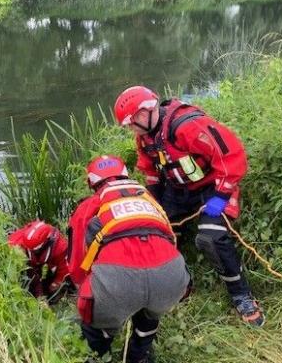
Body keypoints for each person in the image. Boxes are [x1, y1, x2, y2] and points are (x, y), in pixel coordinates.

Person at [113, 86, 264, 326]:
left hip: (212, 186)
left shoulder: (187, 126)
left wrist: (221, 196)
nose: (130, 129)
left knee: (211, 239)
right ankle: (181, 283)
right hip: (178, 189)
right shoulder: (145, 137)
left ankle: (241, 294)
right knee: (160, 234)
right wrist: (155, 205)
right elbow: (150, 171)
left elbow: (231, 157)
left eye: (131, 124)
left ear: (143, 114)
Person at [68, 155, 190, 363]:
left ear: (91, 183)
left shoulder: (89, 207)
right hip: (171, 277)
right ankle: (140, 355)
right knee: (151, 310)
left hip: (118, 283)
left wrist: (88, 292)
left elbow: (78, 264)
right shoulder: (149, 200)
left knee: (95, 325)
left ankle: (98, 352)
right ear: (126, 175)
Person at [8, 220, 71, 302]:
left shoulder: (60, 248)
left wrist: (55, 283)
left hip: (48, 262)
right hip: (30, 264)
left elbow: (64, 269)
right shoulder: (17, 242)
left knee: (55, 289)